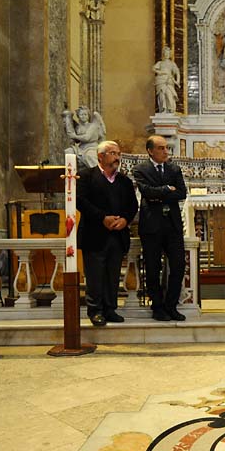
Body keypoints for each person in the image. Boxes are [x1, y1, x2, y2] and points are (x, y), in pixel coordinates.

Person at [76, 140, 138, 327]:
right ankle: (95, 311)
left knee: (112, 274)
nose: (117, 157)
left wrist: (125, 219)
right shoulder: (86, 176)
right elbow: (80, 201)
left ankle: (110, 309)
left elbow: (132, 205)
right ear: (100, 156)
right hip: (94, 234)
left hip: (117, 235)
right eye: (112, 153)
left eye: (118, 153)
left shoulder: (124, 181)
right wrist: (102, 217)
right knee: (95, 275)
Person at [133, 135, 187, 322]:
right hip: (151, 225)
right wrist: (166, 190)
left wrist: (159, 194)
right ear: (150, 151)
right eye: (161, 148)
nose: (166, 151)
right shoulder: (141, 169)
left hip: (172, 225)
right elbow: (146, 192)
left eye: (166, 148)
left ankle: (171, 305)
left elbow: (182, 193)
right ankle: (157, 306)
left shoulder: (174, 168)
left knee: (179, 266)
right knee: (153, 268)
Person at [154, 47, 180, 113]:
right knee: (162, 95)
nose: (166, 55)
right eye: (165, 53)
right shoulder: (160, 63)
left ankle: (170, 108)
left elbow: (177, 72)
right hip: (160, 80)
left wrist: (177, 81)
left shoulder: (172, 64)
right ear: (163, 54)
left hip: (169, 81)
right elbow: (153, 68)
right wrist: (160, 72)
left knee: (169, 94)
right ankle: (163, 109)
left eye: (167, 53)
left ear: (170, 54)